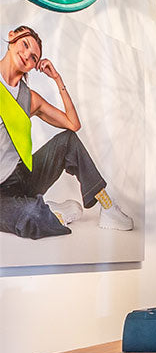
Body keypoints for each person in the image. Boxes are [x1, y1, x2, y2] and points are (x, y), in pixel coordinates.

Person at [0, 25, 133, 240]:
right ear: (12, 37)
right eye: (25, 45)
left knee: (68, 141)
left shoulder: (29, 99)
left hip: (21, 179)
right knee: (31, 216)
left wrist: (57, 79)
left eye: (34, 57)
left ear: (34, 66)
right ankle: (51, 211)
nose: (27, 55)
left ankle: (107, 208)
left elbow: (73, 124)